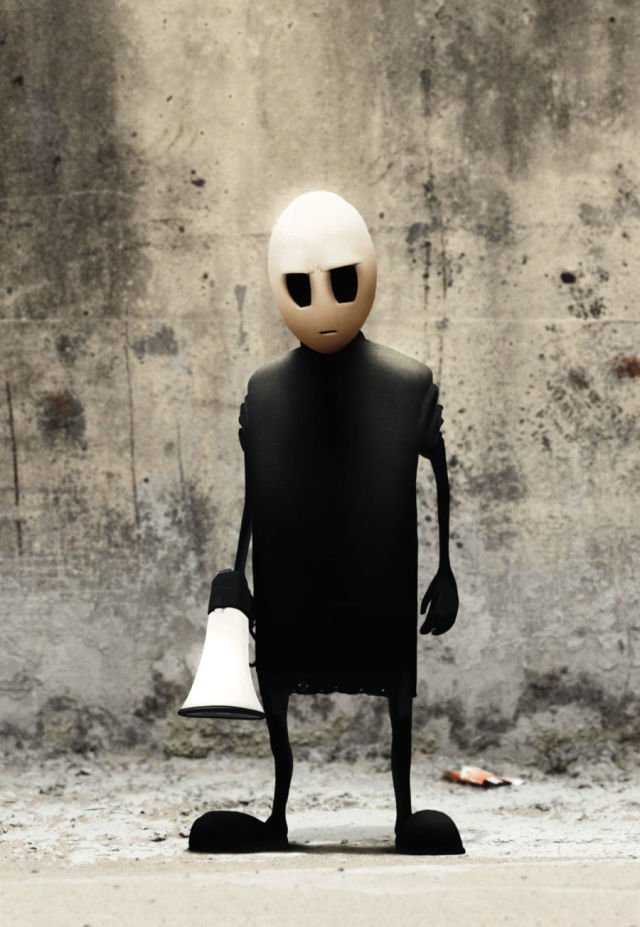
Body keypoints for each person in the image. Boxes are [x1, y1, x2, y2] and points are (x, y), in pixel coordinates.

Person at [189, 191, 463, 854]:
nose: (322, 302)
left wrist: (445, 570)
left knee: (396, 697)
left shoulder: (408, 383)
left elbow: (438, 470)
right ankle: (279, 812)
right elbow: (256, 489)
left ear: (364, 273)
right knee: (280, 685)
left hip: (378, 581)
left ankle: (402, 810)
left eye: (340, 281)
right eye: (302, 286)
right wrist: (236, 579)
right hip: (293, 582)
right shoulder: (266, 391)